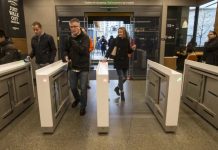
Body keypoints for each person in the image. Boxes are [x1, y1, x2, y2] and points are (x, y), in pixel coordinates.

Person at [62, 18, 90, 116]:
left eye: (75, 26)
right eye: (71, 27)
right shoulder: (68, 38)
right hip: (72, 66)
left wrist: (73, 40)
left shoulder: (85, 37)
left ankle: (83, 106)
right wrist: (65, 56)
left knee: (83, 88)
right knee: (73, 87)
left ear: (79, 26)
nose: (73, 28)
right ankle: (77, 99)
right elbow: (65, 50)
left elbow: (83, 51)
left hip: (83, 67)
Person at [104, 27, 136, 101]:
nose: (119, 33)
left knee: (125, 77)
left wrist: (132, 49)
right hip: (117, 61)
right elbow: (110, 49)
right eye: (119, 32)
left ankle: (117, 88)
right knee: (121, 77)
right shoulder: (115, 40)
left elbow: (129, 51)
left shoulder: (127, 41)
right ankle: (122, 93)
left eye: (121, 32)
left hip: (125, 61)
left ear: (124, 32)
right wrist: (106, 57)